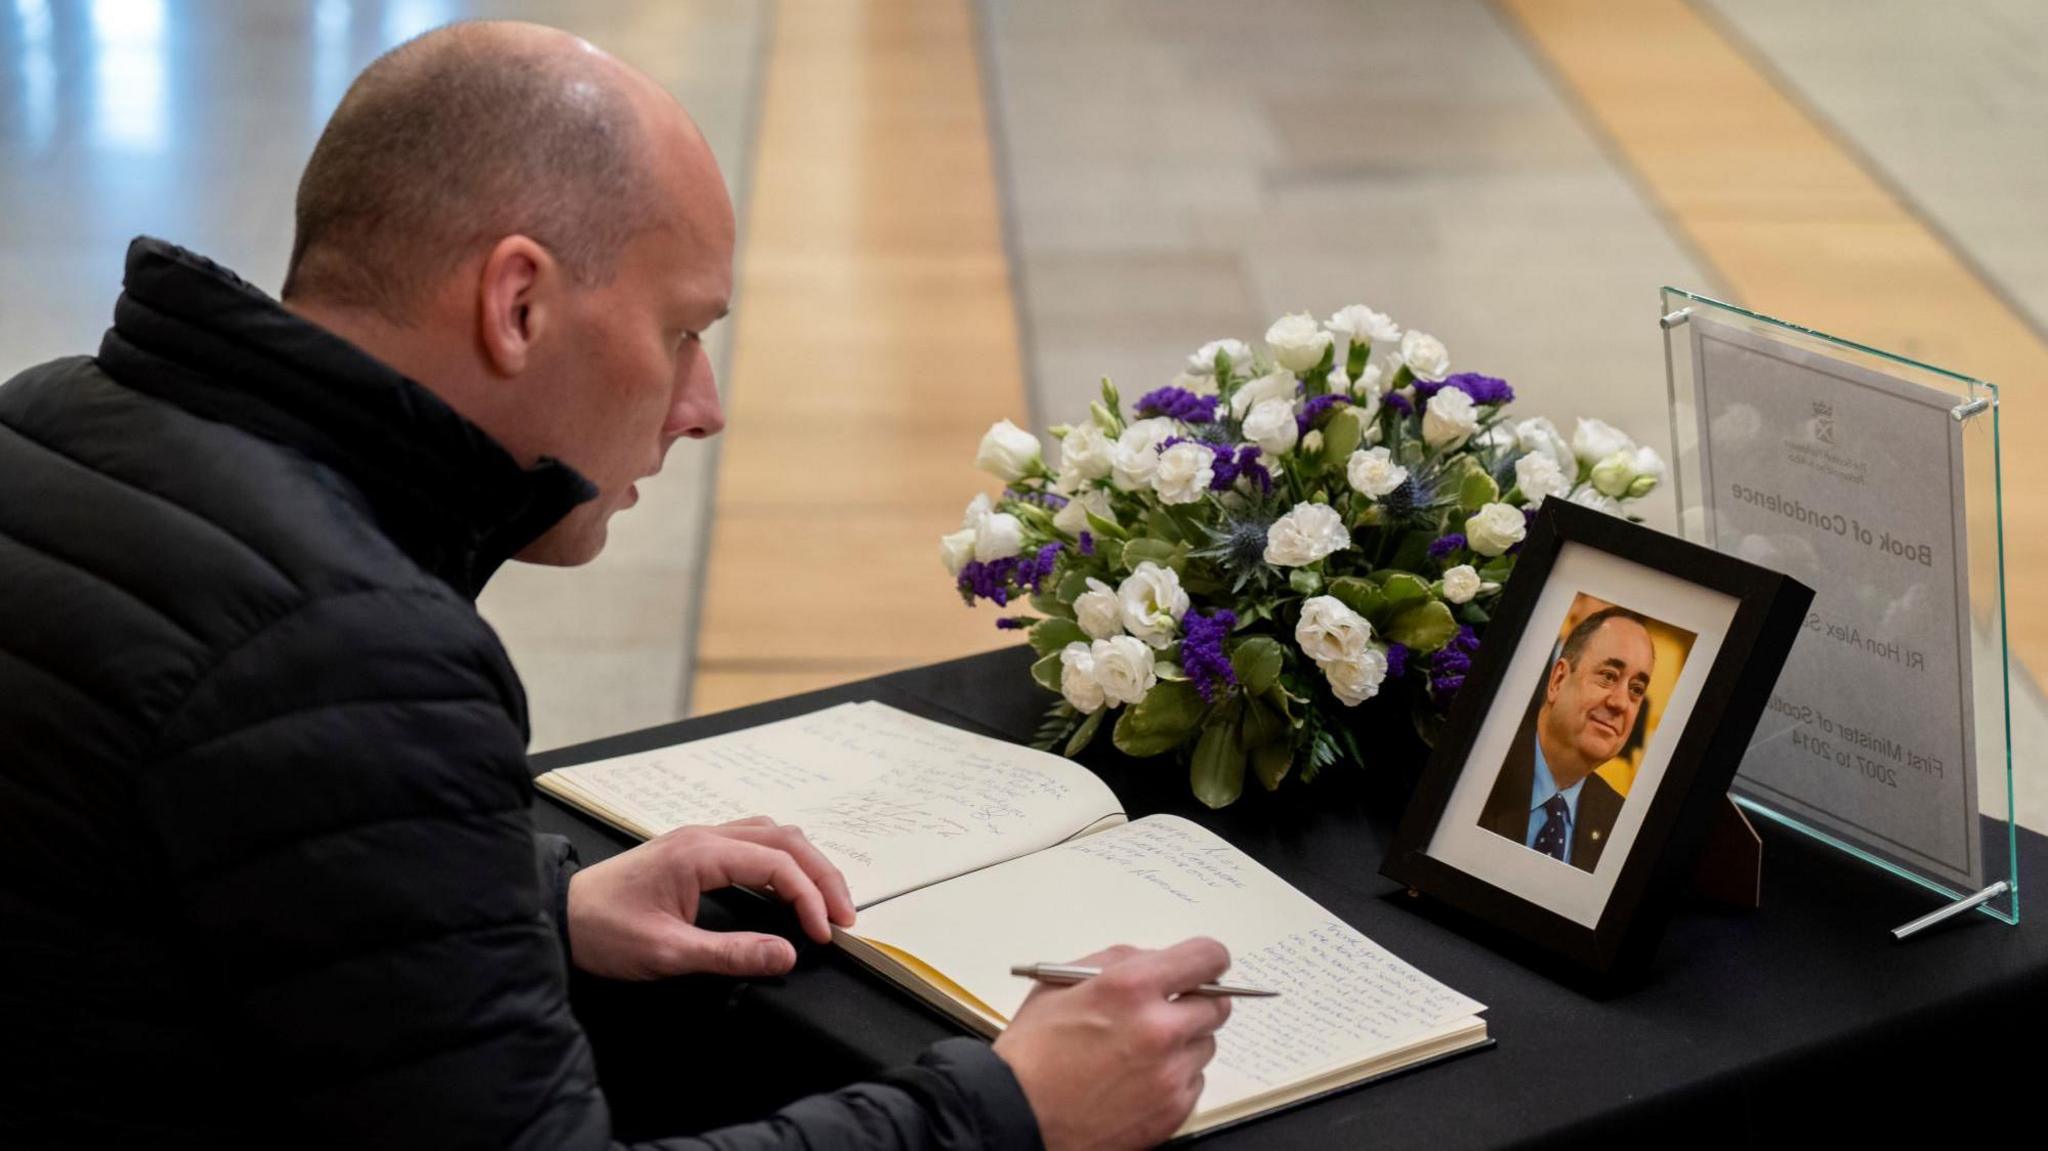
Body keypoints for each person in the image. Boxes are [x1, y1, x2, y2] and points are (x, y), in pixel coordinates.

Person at [0, 21, 1228, 1150]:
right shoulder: (353, 645)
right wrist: (1008, 1109)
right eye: (683, 331)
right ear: (517, 300)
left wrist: (533, 903)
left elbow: (177, 883)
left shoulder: (48, 414)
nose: (702, 408)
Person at [1478, 607, 1656, 873]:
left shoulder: (1624, 825)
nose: (1620, 702)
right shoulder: (1479, 768)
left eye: (1636, 690)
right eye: (1608, 676)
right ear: (1558, 679)